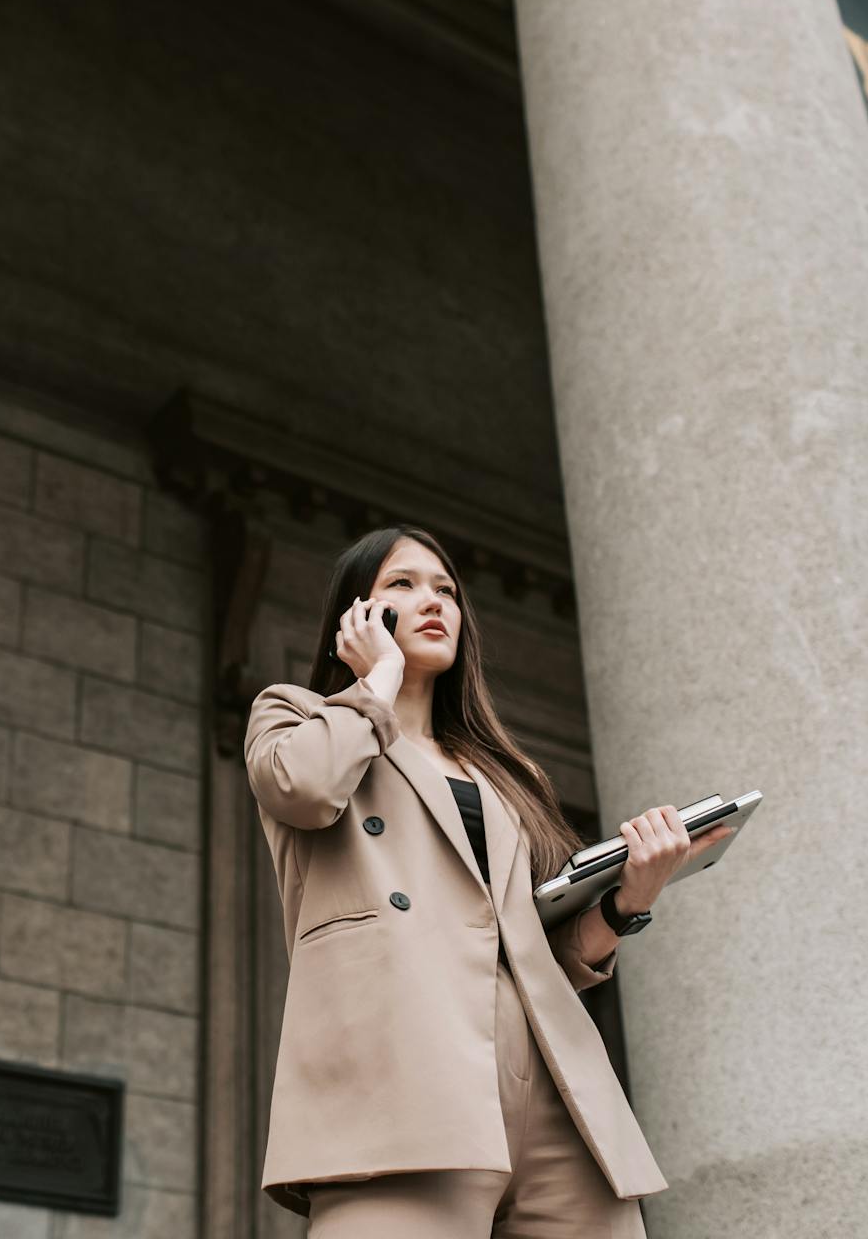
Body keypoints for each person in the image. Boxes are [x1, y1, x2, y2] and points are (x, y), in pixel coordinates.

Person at [243, 524, 733, 1237]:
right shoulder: (296, 717)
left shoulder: (505, 776)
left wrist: (633, 897)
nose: (434, 600)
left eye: (446, 590)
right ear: (356, 615)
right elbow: (306, 787)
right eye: (403, 586)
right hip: (403, 1086)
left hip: (554, 1093)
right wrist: (375, 681)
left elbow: (542, 956)